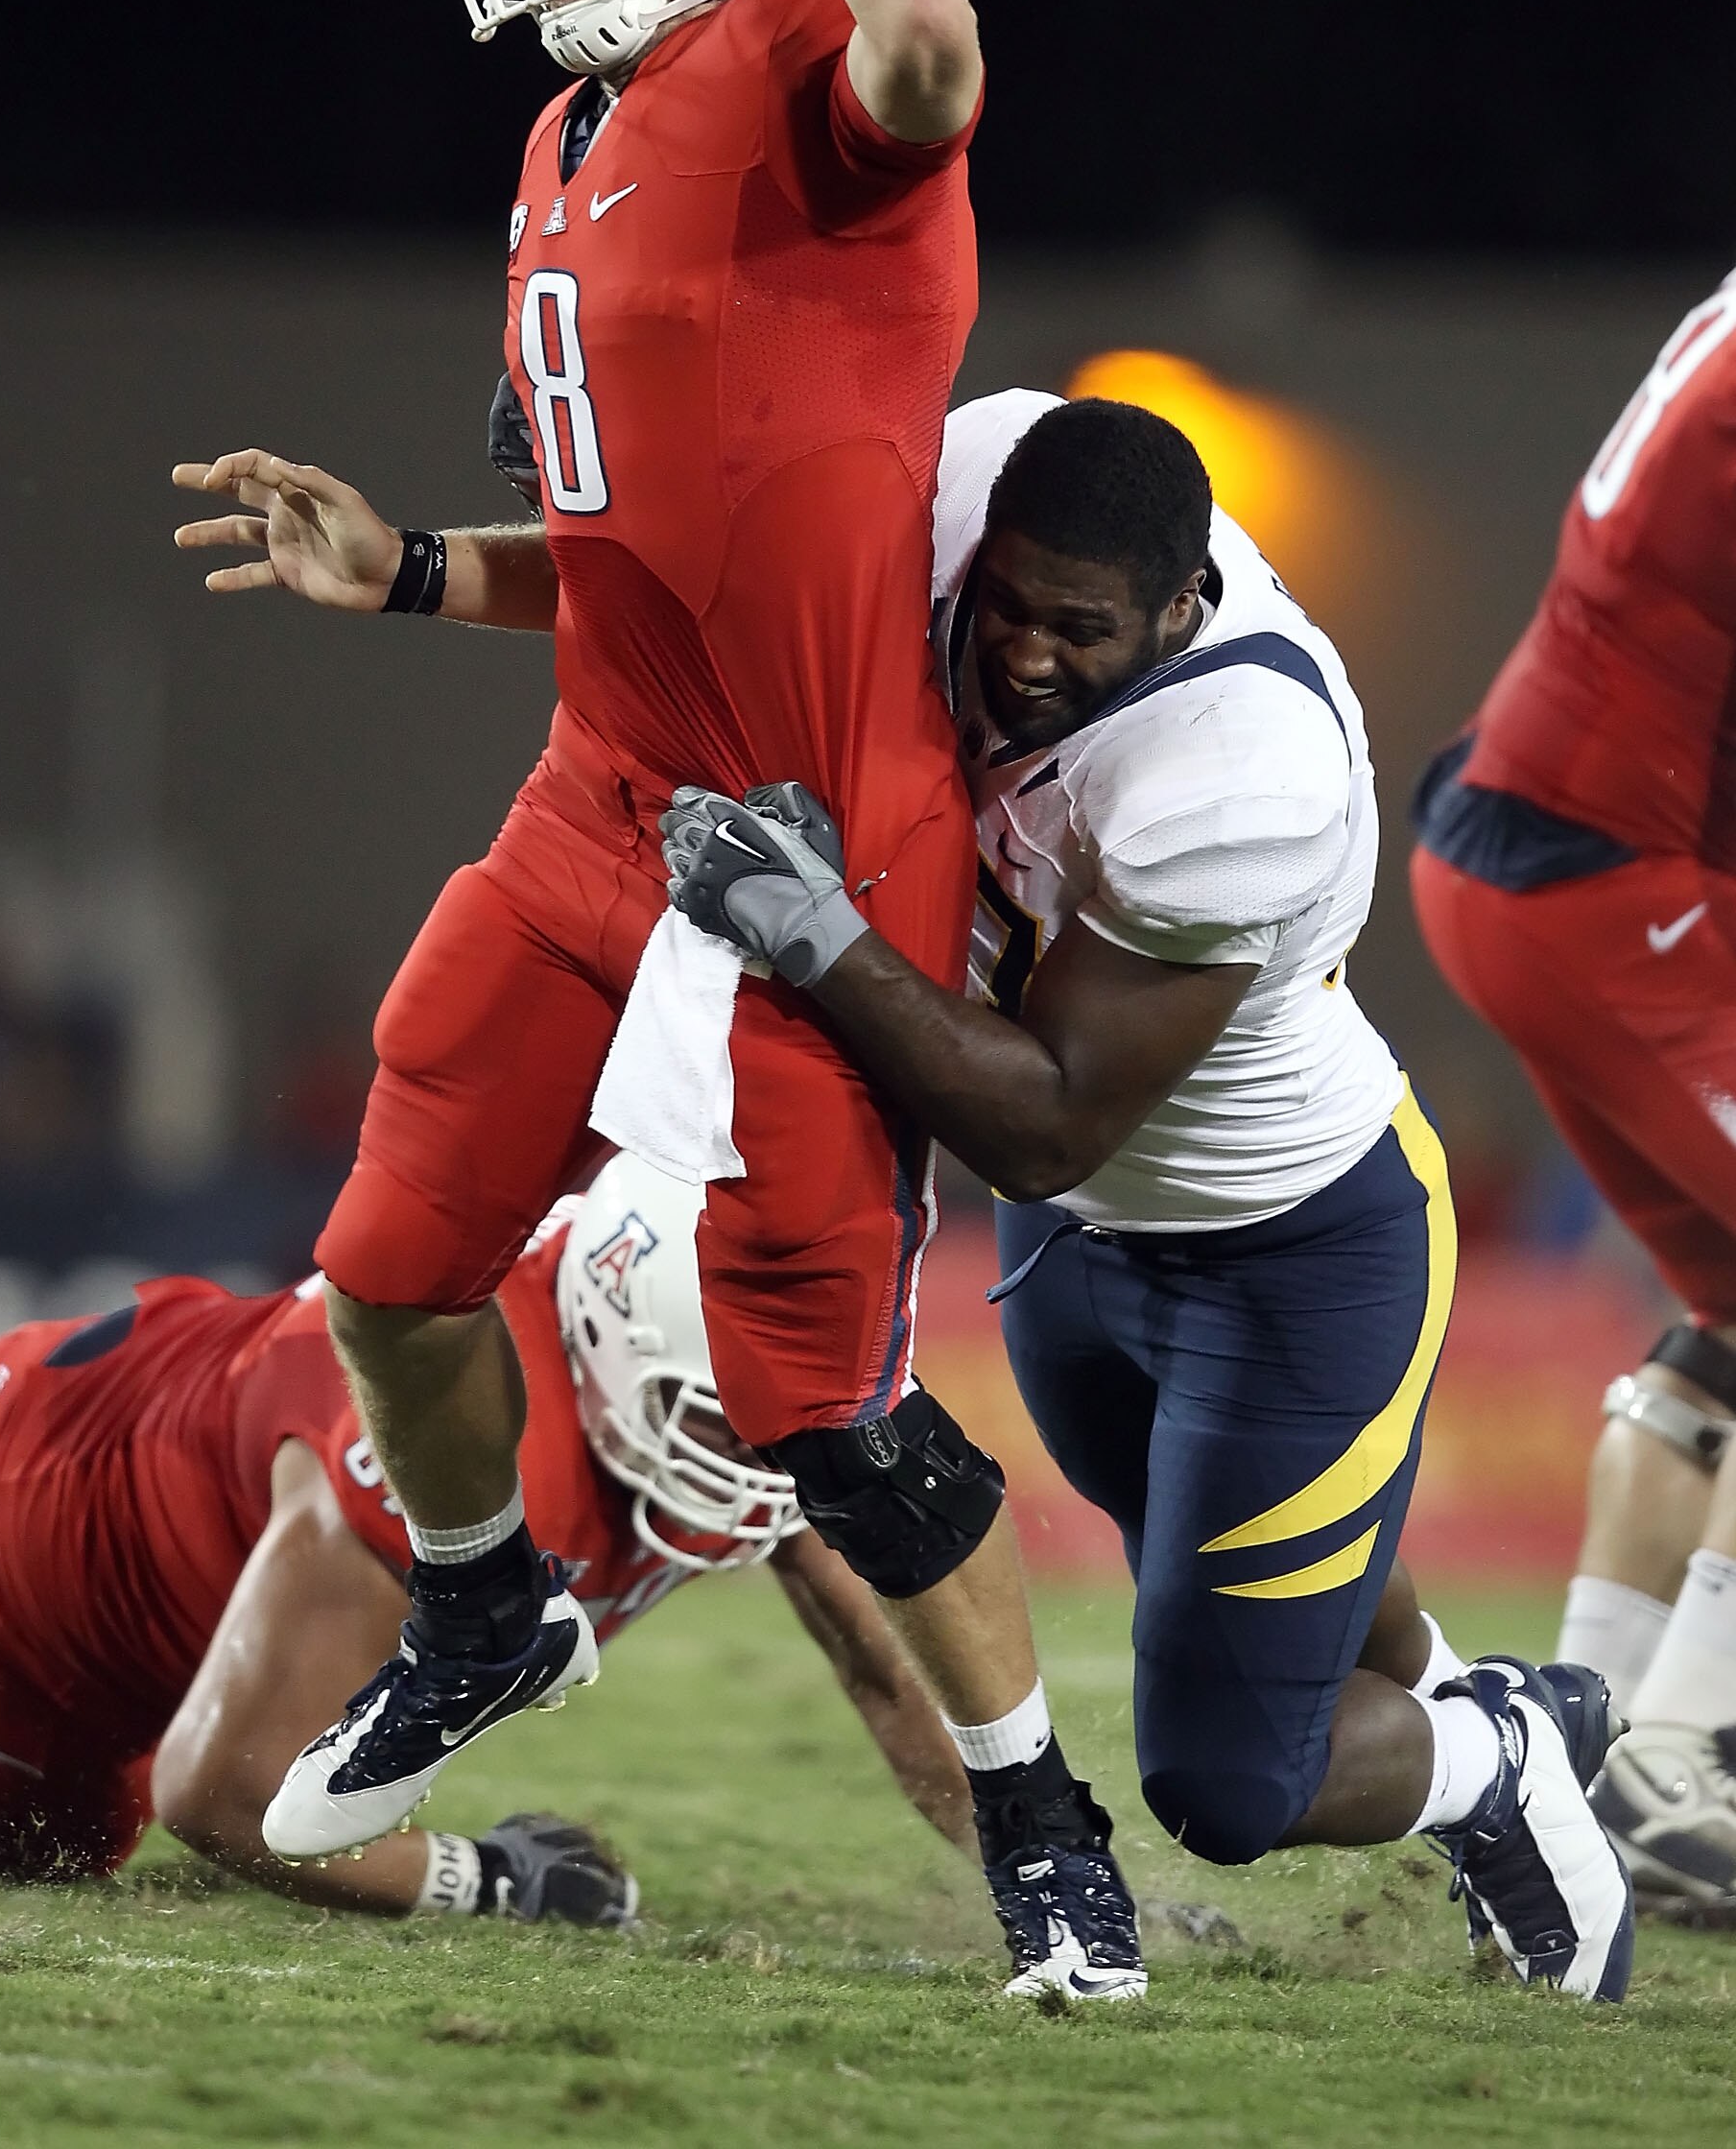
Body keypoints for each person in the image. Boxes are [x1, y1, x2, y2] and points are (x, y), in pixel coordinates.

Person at [173, 0, 1145, 2001]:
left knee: (817, 1402)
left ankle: (1043, 1823)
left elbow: (928, 35)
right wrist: (406, 570)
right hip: (603, 798)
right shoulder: (557, 135)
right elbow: (631, 542)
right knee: (391, 1257)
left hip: (818, 844)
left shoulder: (820, 52)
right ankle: (492, 1603)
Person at [658, 389, 1636, 2003]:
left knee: (1231, 1785)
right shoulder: (984, 475)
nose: (1024, 656)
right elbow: (741, 537)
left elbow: (1040, 1121)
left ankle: (1503, 1755)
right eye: (1010, 606)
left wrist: (810, 930)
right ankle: (1483, 1737)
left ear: (1184, 609)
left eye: (1081, 629)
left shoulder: (1243, 770)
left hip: (1286, 1258)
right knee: (1253, 1579)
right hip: (1083, 1251)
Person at [0, 1158, 974, 1908]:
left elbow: (888, 1661)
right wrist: (482, 1879)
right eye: (731, 1423)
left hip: (98, 1411)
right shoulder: (459, 1456)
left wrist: (1037, 1864)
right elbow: (225, 1797)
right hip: (11, 1579)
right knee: (33, 1844)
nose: (766, 1460)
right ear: (615, 1341)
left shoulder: (691, 1381)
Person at [1409, 270, 1736, 1910]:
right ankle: (1690, 1753)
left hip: (1553, 848)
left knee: (1721, 1330)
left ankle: (1591, 1747)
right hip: (1605, 874)